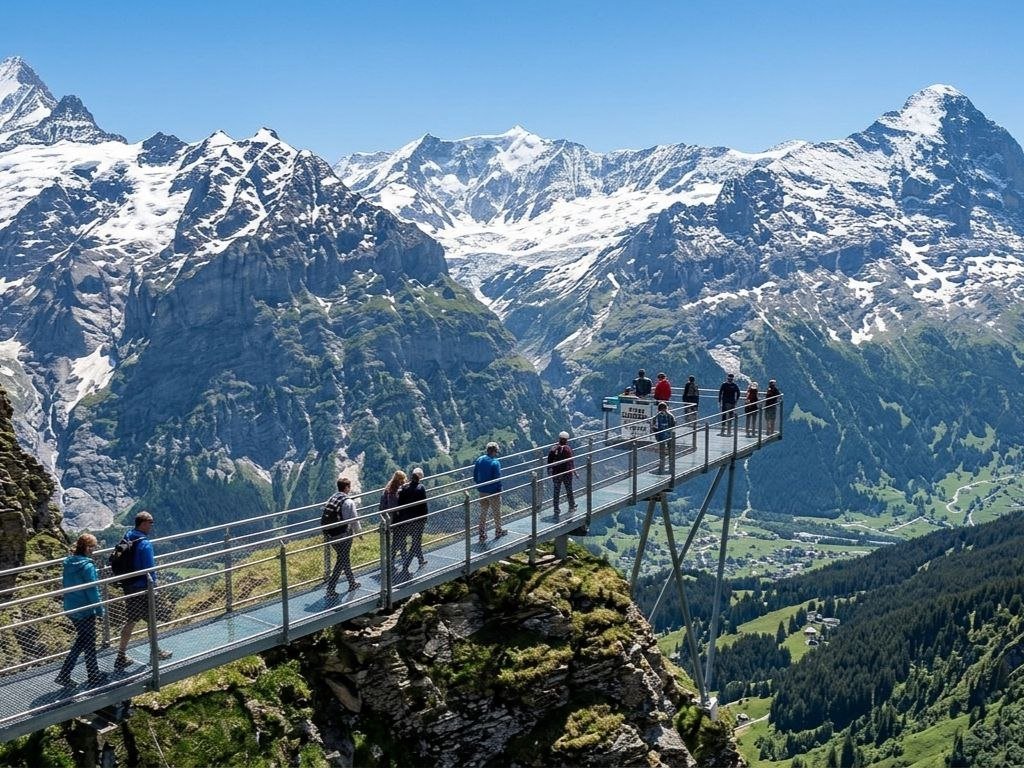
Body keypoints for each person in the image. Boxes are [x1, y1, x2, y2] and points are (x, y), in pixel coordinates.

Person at [115, 511, 171, 671]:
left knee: (131, 620)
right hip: (143, 587)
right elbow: (150, 568)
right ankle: (156, 652)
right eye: (151, 522)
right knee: (152, 620)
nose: (152, 525)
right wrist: (155, 586)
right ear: (143, 523)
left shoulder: (128, 536)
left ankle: (121, 655)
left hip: (128, 585)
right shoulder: (145, 543)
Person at [56, 534, 107, 687]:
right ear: (87, 548)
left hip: (71, 607)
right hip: (84, 609)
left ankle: (90, 674)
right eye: (93, 547)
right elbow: (92, 590)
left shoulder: (69, 562)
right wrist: (99, 610)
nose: (94, 550)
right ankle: (82, 675)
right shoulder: (87, 566)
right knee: (88, 643)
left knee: (84, 640)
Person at [322, 477, 362, 596]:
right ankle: (331, 588)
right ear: (346, 487)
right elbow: (354, 519)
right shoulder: (348, 501)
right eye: (349, 487)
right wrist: (359, 533)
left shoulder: (333, 498)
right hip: (343, 534)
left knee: (343, 558)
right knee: (342, 559)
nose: (350, 489)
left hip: (330, 534)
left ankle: (352, 582)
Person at [396, 467, 428, 576]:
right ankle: (406, 566)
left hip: (405, 520)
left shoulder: (404, 488)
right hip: (418, 520)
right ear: (419, 479)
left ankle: (421, 560)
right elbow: (424, 505)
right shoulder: (421, 488)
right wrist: (425, 517)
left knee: (415, 541)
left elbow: (400, 504)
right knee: (415, 543)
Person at [473, 442, 504, 543]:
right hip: (493, 491)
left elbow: (475, 475)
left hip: (482, 490)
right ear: (495, 451)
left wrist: (480, 484)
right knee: (496, 512)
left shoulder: (479, 459)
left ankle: (482, 533)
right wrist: (499, 490)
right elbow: (497, 478)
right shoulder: (495, 462)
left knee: (483, 512)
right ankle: (498, 531)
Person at [379, 470, 407, 571]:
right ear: (399, 479)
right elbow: (393, 506)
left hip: (391, 518)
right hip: (395, 519)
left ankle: (394, 562)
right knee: (401, 542)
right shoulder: (393, 491)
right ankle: (404, 564)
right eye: (402, 479)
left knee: (397, 542)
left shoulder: (390, 486)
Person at [547, 431, 578, 518]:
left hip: (556, 473)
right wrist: (574, 472)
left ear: (559, 439)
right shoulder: (568, 449)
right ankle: (572, 506)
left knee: (556, 491)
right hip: (566, 473)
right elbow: (571, 462)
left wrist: (549, 470)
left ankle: (556, 509)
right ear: (566, 440)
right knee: (569, 489)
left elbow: (549, 461)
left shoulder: (553, 449)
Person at [652, 402, 676, 473]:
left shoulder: (657, 416)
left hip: (661, 436)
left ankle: (662, 464)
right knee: (670, 449)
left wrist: (656, 433)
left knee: (662, 450)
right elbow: (674, 424)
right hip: (669, 435)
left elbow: (654, 426)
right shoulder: (670, 415)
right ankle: (671, 465)